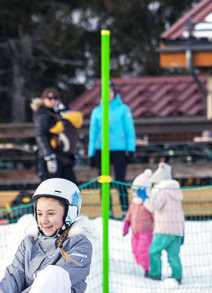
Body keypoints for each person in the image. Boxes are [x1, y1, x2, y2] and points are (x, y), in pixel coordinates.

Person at [87, 82, 136, 214]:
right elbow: (93, 133)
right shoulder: (97, 111)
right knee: (103, 180)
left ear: (114, 93)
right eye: (105, 92)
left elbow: (129, 131)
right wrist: (91, 153)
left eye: (110, 92)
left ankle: (125, 210)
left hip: (119, 149)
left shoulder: (123, 109)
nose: (108, 95)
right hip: (101, 149)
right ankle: (107, 210)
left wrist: (130, 150)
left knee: (120, 179)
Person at [144, 162, 184, 283]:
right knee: (173, 255)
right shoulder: (175, 192)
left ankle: (155, 274)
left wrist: (145, 198)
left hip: (164, 229)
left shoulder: (162, 192)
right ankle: (177, 276)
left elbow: (154, 206)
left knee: (154, 251)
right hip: (177, 230)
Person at [33, 88, 77, 183]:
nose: (53, 101)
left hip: (63, 156)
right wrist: (48, 155)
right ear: (44, 100)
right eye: (50, 98)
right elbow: (40, 135)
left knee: (71, 185)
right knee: (51, 186)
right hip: (49, 156)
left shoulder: (60, 113)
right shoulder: (42, 115)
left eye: (55, 98)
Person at [122, 169, 154, 276]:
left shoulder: (148, 203)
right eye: (134, 189)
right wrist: (126, 224)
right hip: (135, 232)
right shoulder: (133, 203)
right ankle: (138, 268)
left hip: (146, 232)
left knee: (143, 251)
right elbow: (129, 214)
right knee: (135, 250)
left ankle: (145, 269)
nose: (136, 192)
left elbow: (154, 215)